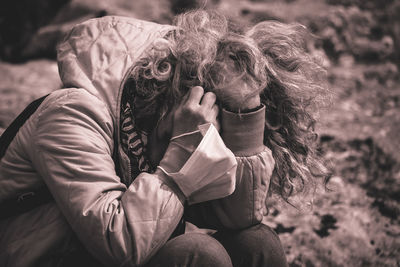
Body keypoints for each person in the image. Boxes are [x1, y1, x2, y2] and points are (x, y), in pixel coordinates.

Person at [0, 9, 328, 267]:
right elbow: (119, 245)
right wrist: (181, 153)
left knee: (256, 243)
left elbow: (238, 217)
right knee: (198, 253)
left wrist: (245, 116)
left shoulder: (163, 120)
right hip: (43, 257)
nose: (210, 139)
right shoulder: (71, 112)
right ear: (179, 92)